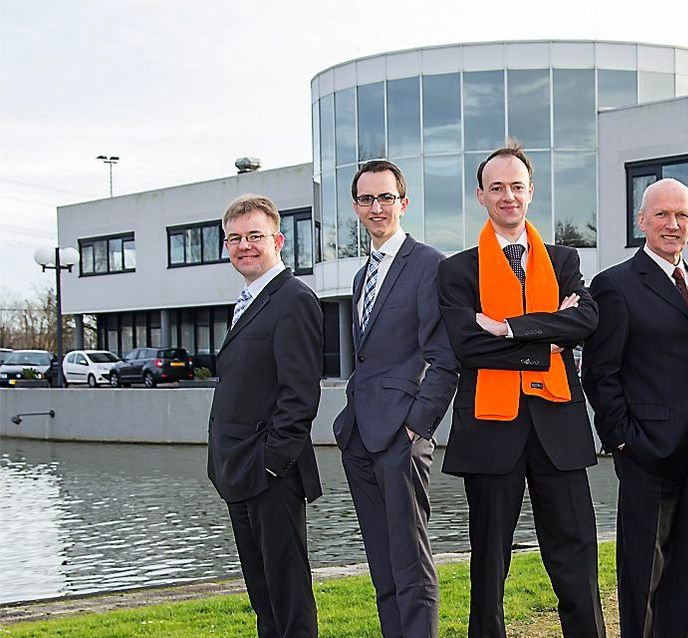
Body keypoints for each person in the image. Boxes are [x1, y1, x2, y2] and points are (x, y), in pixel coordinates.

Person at [437, 143, 606, 638]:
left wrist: (510, 329)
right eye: (497, 188)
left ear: (531, 191)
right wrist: (547, 341)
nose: (508, 196)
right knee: (489, 564)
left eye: (516, 186)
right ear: (481, 195)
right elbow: (467, 345)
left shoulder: (564, 258)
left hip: (559, 426)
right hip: (491, 430)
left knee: (577, 555)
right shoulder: (458, 270)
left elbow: (586, 320)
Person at [582, 178, 688, 637]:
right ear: (641, 221)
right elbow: (599, 375)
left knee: (687, 574)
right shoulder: (615, 285)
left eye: (681, 215)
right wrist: (626, 441)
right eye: (661, 215)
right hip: (648, 453)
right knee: (642, 577)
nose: (672, 224)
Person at [333, 160, 458, 638]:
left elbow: (444, 355)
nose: (377, 207)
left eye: (386, 197)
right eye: (367, 199)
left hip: (402, 437)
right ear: (356, 208)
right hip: (361, 435)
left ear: (403, 203)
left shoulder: (428, 264)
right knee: (382, 565)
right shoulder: (362, 274)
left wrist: (417, 425)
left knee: (410, 563)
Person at [207, 193, 324, 638]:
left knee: (288, 591)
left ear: (277, 239)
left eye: (255, 235)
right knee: (263, 594)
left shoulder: (293, 299)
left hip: (270, 472)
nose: (244, 245)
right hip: (237, 469)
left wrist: (272, 464)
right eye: (234, 238)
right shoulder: (249, 299)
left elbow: (299, 396)